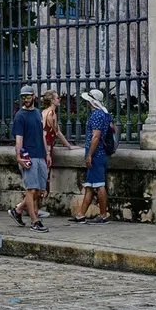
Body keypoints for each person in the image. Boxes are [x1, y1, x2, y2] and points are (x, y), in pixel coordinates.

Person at [9, 85, 49, 233]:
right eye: (23, 97)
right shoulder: (20, 116)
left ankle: (18, 210)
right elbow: (19, 139)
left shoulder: (38, 113)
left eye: (28, 96)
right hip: (29, 156)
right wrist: (19, 157)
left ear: (34, 96)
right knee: (31, 189)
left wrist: (47, 153)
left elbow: (42, 135)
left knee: (40, 190)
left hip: (40, 155)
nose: (25, 99)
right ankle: (34, 221)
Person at [70, 88, 113, 224]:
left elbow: (95, 137)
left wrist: (89, 155)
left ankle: (103, 214)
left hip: (96, 154)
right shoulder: (105, 114)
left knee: (99, 185)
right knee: (89, 185)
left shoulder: (96, 115)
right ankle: (81, 214)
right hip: (101, 153)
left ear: (91, 102)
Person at [38, 90, 72, 218]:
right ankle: (35, 208)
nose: (59, 99)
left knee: (41, 177)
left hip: (42, 147)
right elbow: (57, 132)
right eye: (57, 98)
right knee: (45, 178)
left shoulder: (43, 112)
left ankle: (34, 207)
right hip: (47, 147)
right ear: (52, 100)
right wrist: (68, 146)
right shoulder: (51, 114)